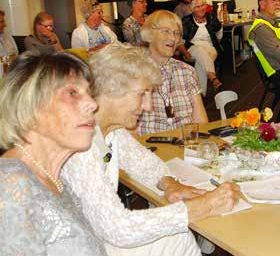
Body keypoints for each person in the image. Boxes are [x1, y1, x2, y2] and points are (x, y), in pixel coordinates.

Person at [62, 43, 240, 256]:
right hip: (80, 246)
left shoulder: (110, 130)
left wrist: (169, 183)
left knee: (177, 238)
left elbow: (144, 163)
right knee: (176, 234)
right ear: (111, 91)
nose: (147, 106)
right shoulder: (79, 143)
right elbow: (117, 228)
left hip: (94, 238)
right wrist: (202, 206)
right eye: (142, 94)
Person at [0, 50, 106, 256]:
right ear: (32, 105)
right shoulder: (10, 184)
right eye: (72, 93)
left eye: (89, 93)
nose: (93, 104)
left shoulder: (55, 181)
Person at [138, 10, 208, 134]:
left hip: (185, 146)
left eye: (176, 33)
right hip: (148, 148)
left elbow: (201, 121)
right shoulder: (134, 72)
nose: (172, 38)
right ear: (149, 34)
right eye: (166, 31)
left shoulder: (187, 71)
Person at [179, 0, 223, 94]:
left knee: (201, 62)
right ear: (192, 9)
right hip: (192, 48)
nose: (201, 8)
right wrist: (185, 53)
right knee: (199, 50)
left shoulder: (211, 16)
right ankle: (212, 77)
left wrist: (218, 42)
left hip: (210, 48)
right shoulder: (186, 20)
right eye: (197, 7)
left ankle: (200, 95)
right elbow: (179, 40)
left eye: (202, 5)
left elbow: (219, 31)